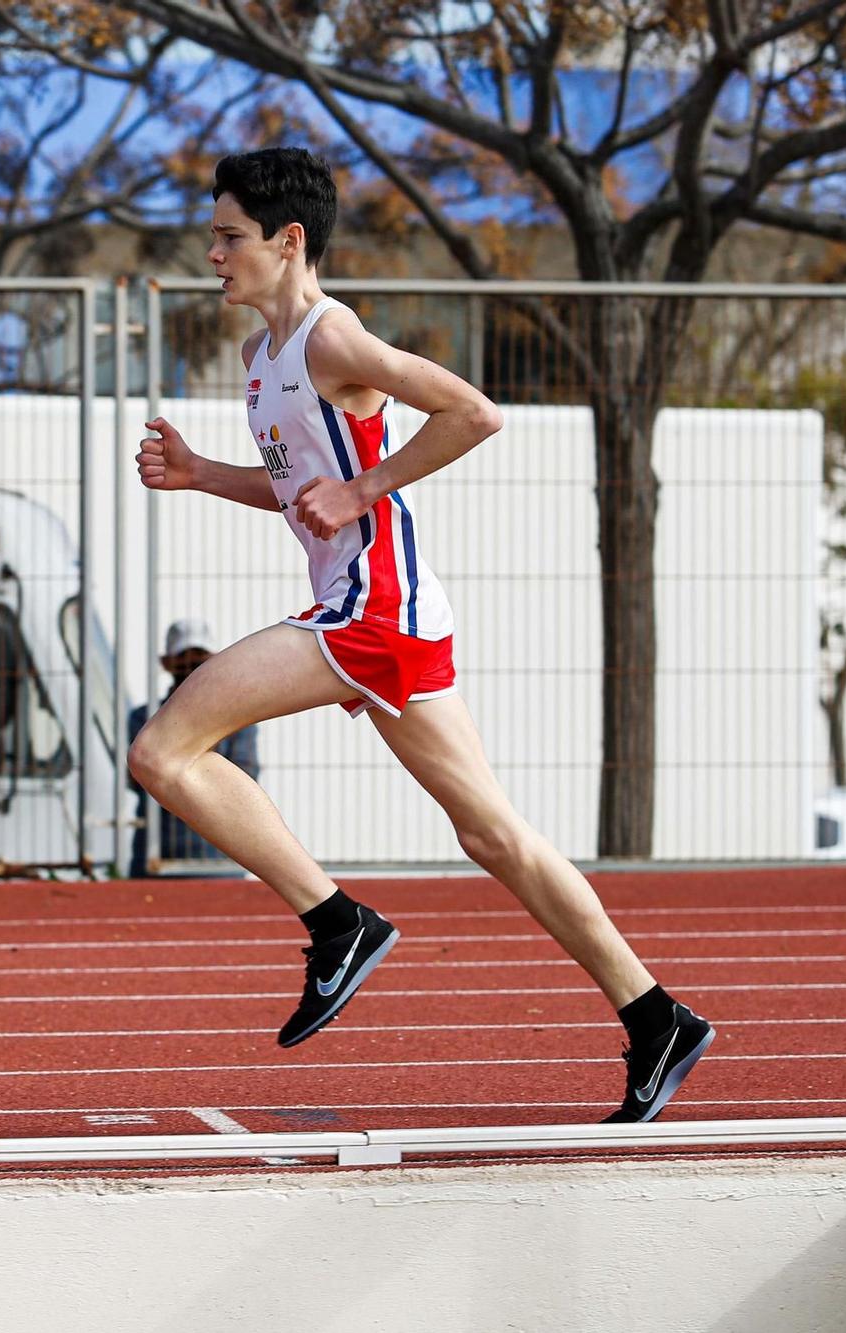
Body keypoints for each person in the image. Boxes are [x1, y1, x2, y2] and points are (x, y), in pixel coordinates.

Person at [131, 147, 714, 1124]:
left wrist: (365, 487)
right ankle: (655, 1015)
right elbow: (294, 491)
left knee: (162, 748)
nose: (211, 252)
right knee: (492, 833)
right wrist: (202, 475)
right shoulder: (258, 359)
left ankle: (336, 922)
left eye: (229, 236)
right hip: (390, 619)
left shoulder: (332, 339)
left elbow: (472, 412)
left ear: (288, 241)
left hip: (371, 613)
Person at [127, 618, 261, 876]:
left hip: (218, 853)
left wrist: (173, 776)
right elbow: (139, 778)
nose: (190, 666)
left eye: (198, 658)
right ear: (166, 663)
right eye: (183, 658)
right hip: (158, 851)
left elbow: (245, 776)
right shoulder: (142, 717)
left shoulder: (239, 714)